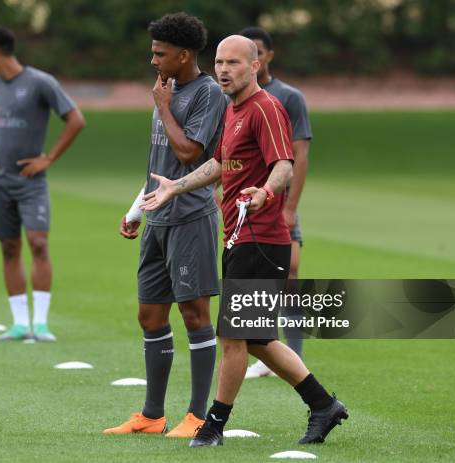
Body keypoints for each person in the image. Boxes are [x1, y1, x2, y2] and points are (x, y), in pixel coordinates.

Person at [141, 35, 347, 447]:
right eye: (218, 61)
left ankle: (213, 425)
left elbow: (284, 165)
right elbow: (219, 164)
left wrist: (265, 194)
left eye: (233, 62)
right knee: (256, 339)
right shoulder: (233, 110)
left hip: (261, 238)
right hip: (239, 236)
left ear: (255, 66)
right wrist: (174, 187)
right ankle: (323, 405)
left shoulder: (266, 108)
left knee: (234, 337)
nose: (223, 69)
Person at [104, 13, 227, 438]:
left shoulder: (208, 93)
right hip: (157, 218)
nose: (153, 60)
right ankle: (152, 416)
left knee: (194, 314)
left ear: (184, 54)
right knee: (149, 314)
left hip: (191, 218)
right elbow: (160, 162)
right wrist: (136, 210)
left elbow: (189, 152)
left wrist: (162, 106)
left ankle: (196, 415)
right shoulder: (167, 88)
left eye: (160, 53)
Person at [0, 26, 85, 342]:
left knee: (38, 243)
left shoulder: (40, 82)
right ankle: (20, 324)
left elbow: (76, 119)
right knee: (9, 247)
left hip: (31, 182)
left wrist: (47, 158)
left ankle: (42, 323)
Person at [239, 27, 312, 378]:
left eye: (255, 52)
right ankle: (266, 351)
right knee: (252, 284)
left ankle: (293, 355)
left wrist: (290, 205)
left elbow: (298, 155)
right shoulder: (232, 97)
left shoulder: (287, 97)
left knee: (290, 276)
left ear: (266, 57)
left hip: (277, 203)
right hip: (243, 211)